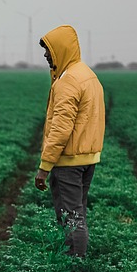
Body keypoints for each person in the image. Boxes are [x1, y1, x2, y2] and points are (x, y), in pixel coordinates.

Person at [32, 25, 105, 257]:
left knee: (71, 216)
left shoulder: (68, 81)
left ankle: (74, 266)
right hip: (86, 158)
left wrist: (45, 167)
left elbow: (61, 128)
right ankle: (78, 260)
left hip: (69, 160)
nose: (45, 56)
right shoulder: (88, 75)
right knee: (78, 212)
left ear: (60, 50)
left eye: (49, 51)